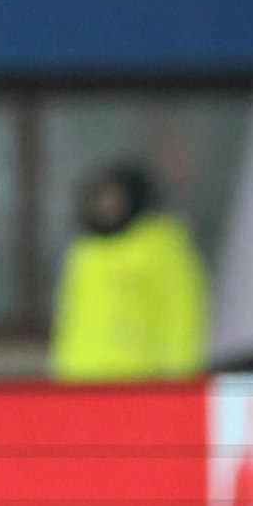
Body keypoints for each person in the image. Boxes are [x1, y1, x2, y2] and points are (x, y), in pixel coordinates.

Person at [49, 162, 209, 382]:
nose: (105, 206)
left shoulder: (161, 245)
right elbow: (70, 316)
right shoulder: (84, 250)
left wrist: (180, 372)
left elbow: (182, 310)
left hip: (142, 376)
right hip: (81, 375)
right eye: (99, 198)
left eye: (113, 198)